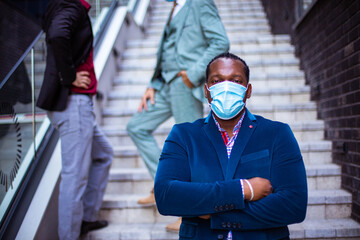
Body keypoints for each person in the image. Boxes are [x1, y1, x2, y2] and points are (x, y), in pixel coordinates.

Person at [154, 52, 308, 239]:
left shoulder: (277, 134)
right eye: (217, 81)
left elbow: (293, 205)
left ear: (248, 90)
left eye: (236, 81)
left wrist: (211, 212)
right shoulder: (183, 135)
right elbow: (166, 196)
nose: (226, 88)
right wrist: (244, 189)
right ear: (206, 91)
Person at [127, 0, 229, 204]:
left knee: (190, 146)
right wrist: (152, 84)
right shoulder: (174, 8)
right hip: (164, 84)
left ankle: (191, 207)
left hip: (184, 84)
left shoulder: (200, 4)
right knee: (136, 127)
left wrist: (193, 74)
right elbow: (166, 50)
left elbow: (220, 42)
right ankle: (167, 184)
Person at [37, 0, 113, 239]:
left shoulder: (63, 7)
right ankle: (70, 235)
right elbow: (58, 34)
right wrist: (69, 76)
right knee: (74, 176)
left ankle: (85, 219)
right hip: (74, 104)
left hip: (76, 106)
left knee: (103, 154)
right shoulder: (70, 7)